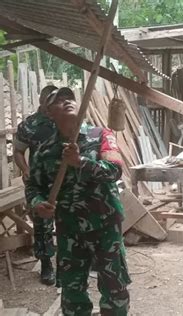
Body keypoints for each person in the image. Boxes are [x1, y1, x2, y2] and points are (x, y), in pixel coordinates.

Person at [25, 87, 130, 315]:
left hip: (105, 224)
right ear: (48, 111)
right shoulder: (44, 151)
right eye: (58, 100)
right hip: (69, 228)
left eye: (70, 98)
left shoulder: (100, 135)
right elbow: (33, 186)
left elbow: (115, 171)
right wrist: (37, 203)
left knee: (114, 287)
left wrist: (80, 161)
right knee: (72, 292)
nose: (67, 101)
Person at [13, 84, 58, 285]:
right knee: (42, 225)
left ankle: (72, 261)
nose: (53, 107)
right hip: (39, 183)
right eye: (50, 103)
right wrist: (25, 169)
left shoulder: (63, 121)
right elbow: (18, 152)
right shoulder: (29, 125)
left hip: (64, 182)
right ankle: (46, 264)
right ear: (42, 101)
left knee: (70, 222)